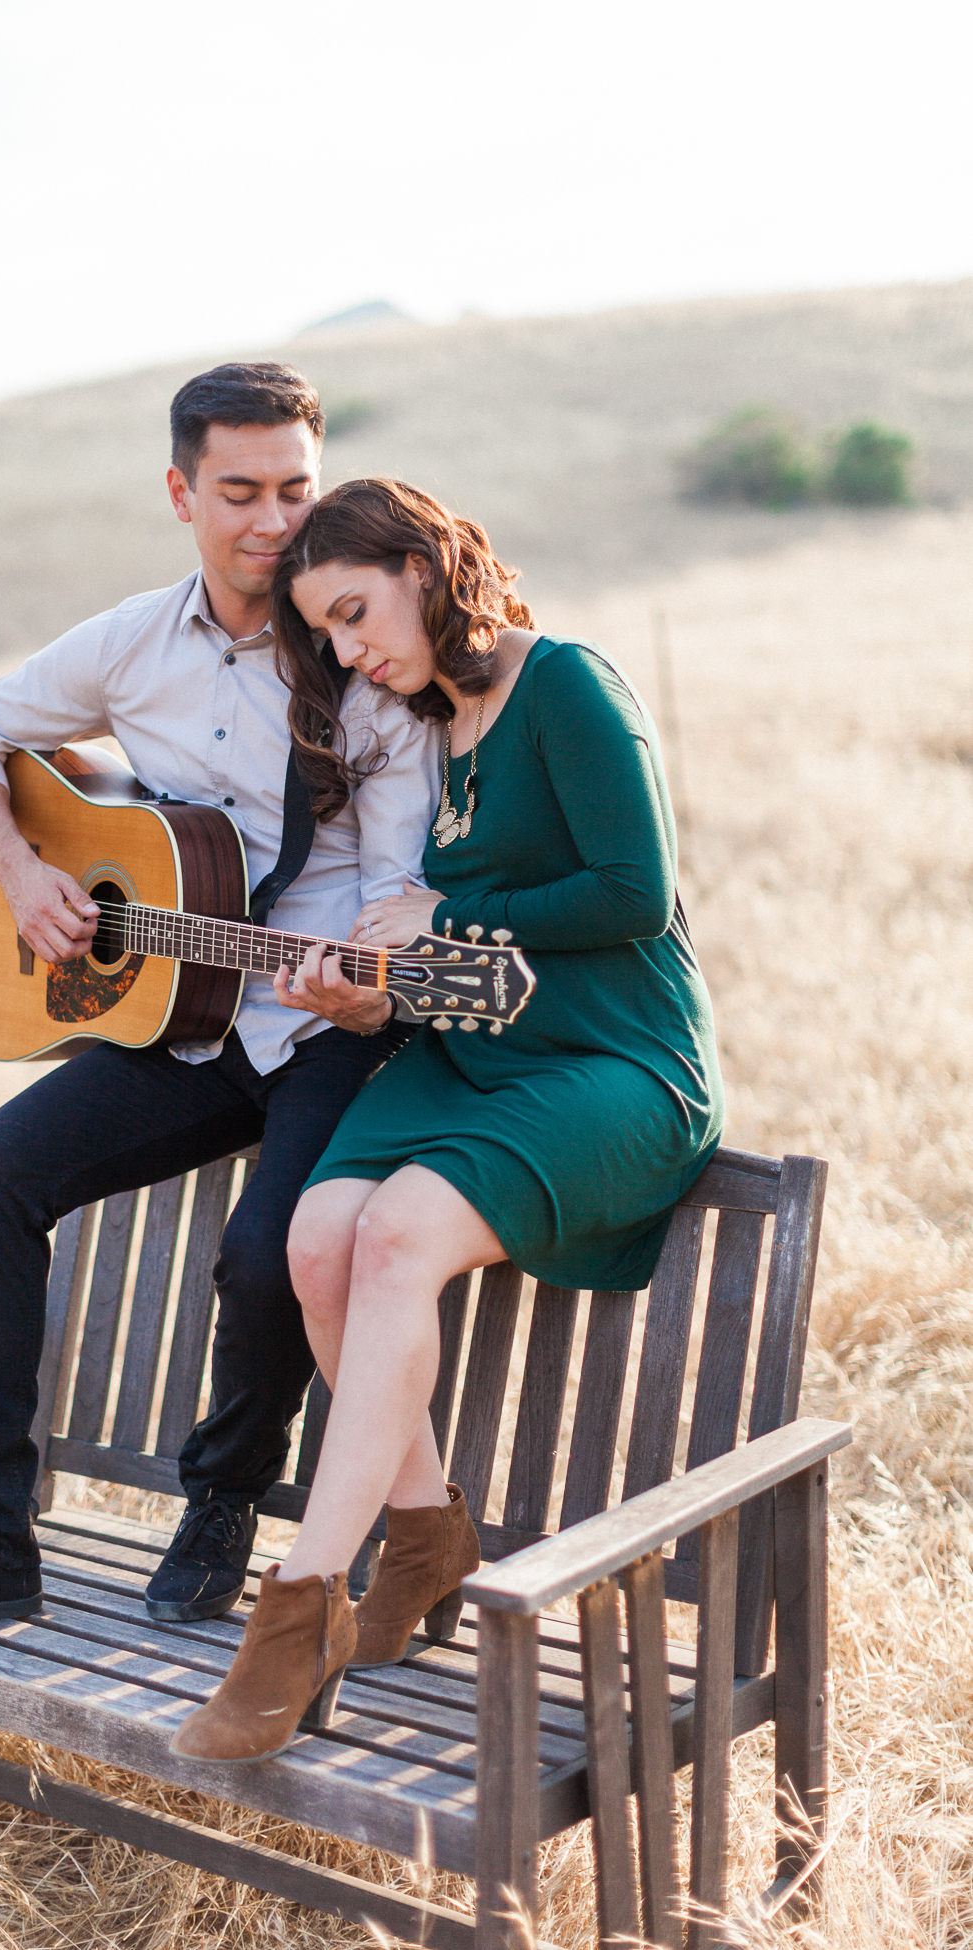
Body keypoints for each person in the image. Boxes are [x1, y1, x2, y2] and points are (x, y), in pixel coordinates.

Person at [0, 370, 439, 1644]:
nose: (272, 523)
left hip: (327, 1027)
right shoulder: (132, 643)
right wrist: (20, 867)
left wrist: (369, 985)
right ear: (180, 493)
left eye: (295, 490)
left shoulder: (365, 659)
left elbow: (397, 885)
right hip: (186, 1016)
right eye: (240, 493)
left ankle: (222, 1500)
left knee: (269, 1253)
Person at [170, 478, 725, 1763]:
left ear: (424, 569)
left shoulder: (567, 684)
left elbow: (634, 894)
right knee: (317, 1240)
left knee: (398, 1237)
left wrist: (446, 926)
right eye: (330, 635)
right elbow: (445, 951)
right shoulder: (433, 721)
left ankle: (300, 1600)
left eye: (358, 613)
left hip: (614, 1063)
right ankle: (425, 1534)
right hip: (471, 1056)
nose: (353, 650)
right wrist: (367, 984)